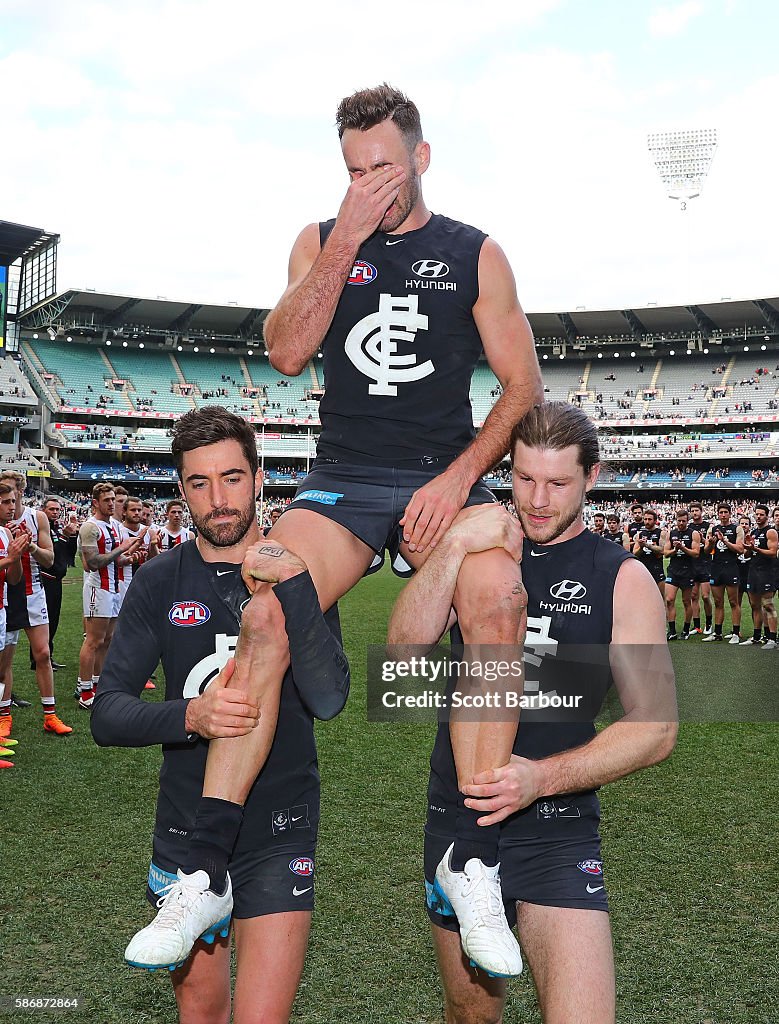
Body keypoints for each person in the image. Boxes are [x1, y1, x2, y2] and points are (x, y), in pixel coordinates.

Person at [126, 84, 543, 976]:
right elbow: (283, 351)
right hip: (345, 479)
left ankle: (468, 855)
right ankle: (204, 866)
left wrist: (461, 477)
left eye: (382, 168)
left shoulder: (476, 253)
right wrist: (347, 239)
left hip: (442, 476)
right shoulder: (321, 240)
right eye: (352, 170)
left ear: (421, 157)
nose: (367, 184)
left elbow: (521, 385)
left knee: (499, 593)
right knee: (267, 607)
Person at [388, 402, 677, 1024]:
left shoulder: (621, 577)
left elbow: (656, 726)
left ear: (591, 477)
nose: (537, 499)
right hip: (460, 821)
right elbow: (404, 657)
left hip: (556, 824)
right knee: (472, 1017)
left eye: (558, 483)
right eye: (523, 479)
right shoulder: (477, 552)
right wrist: (456, 543)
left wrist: (540, 779)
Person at [92, 406, 349, 1022]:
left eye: (232, 478)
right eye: (199, 483)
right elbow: (108, 713)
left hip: (278, 828)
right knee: (200, 1014)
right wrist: (192, 716)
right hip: (185, 828)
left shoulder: (297, 570)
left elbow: (328, 698)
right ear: (181, 491)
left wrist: (295, 590)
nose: (219, 499)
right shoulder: (159, 580)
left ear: (259, 478)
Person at [0, 471, 72, 735]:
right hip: (6, 595)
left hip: (32, 592)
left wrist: (29, 548)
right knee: (4, 661)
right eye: (8, 493)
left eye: (17, 491)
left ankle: (50, 715)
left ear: (22, 491)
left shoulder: (36, 517)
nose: (14, 497)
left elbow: (50, 560)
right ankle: (4, 715)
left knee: (43, 653)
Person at [76, 484, 143, 709]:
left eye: (113, 499)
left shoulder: (113, 525)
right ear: (95, 502)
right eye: (106, 500)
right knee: (93, 641)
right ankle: (85, 691)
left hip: (114, 588)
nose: (112, 503)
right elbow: (94, 563)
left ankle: (98, 685)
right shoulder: (89, 527)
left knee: (108, 640)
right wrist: (121, 548)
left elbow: (115, 559)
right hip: (98, 588)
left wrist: (130, 557)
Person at [0, 481, 33, 743]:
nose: (12, 507)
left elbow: (12, 579)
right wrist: (10, 558)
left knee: (1, 670)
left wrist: (18, 556)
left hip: (2, 608)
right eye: (5, 502)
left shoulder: (5, 533)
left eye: (13, 501)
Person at [35, 497, 79, 670]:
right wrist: (63, 536)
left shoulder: (58, 527)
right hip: (46, 579)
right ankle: (39, 658)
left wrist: (72, 534)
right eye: (51, 509)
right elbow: (51, 557)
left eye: (57, 510)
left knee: (53, 621)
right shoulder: (41, 529)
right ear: (43, 510)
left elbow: (69, 554)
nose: (55, 512)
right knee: (44, 622)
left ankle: (48, 656)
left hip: (57, 580)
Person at [702, 503, 744, 644]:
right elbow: (707, 551)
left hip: (731, 567)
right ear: (718, 514)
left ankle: (736, 633)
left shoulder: (736, 528)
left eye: (726, 512)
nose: (723, 514)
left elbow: (740, 549)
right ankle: (717, 633)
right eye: (721, 512)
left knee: (733, 602)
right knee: (718, 602)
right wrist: (712, 543)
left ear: (730, 513)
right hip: (716, 567)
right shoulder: (713, 529)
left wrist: (725, 541)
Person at [741, 504, 778, 648]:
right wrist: (749, 548)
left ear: (767, 516)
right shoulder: (754, 532)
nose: (758, 516)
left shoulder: (771, 532)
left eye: (761, 514)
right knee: (754, 605)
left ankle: (772, 639)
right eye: (756, 514)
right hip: (753, 571)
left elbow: (773, 553)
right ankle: (757, 636)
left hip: (766, 572)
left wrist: (755, 548)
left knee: (768, 605)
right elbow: (746, 554)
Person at [663, 507, 701, 639]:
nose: (681, 523)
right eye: (679, 521)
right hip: (673, 570)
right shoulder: (671, 533)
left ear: (687, 521)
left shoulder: (693, 534)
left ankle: (685, 629)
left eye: (683, 521)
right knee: (669, 600)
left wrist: (683, 548)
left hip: (687, 571)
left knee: (686, 602)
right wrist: (675, 550)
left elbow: (696, 553)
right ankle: (672, 631)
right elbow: (666, 553)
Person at [688, 501, 713, 634]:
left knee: (705, 596)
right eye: (692, 511)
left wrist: (703, 540)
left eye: (697, 510)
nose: (694, 513)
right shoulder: (689, 527)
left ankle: (709, 623)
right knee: (693, 596)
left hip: (705, 564)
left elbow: (710, 546)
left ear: (701, 511)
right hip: (692, 564)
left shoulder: (708, 526)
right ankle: (696, 626)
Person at [631, 507, 667, 597]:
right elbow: (634, 553)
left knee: (661, 599)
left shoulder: (661, 533)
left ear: (655, 521)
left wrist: (648, 546)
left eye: (650, 519)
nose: (647, 521)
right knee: (643, 599)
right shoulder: (640, 534)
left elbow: (663, 550)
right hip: (643, 570)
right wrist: (641, 548)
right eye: (645, 519)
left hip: (657, 570)